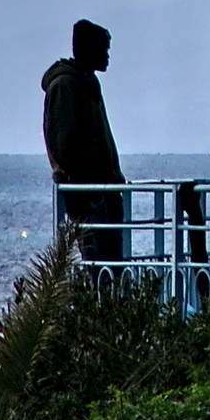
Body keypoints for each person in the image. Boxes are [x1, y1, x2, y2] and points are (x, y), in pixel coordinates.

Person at [42, 19, 125, 263]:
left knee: (114, 263)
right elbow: (63, 145)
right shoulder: (66, 85)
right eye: (104, 49)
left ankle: (111, 300)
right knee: (97, 261)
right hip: (88, 196)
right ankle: (100, 300)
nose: (108, 56)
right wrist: (87, 181)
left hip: (106, 192)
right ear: (89, 49)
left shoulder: (88, 82)